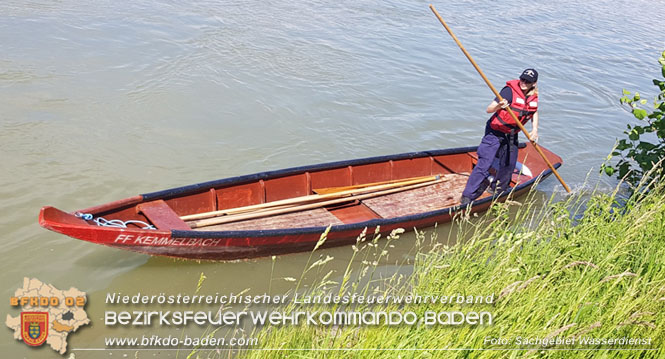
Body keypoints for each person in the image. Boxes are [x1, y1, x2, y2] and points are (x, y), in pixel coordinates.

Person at [460, 68, 539, 205]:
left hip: (512, 134)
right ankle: (467, 195)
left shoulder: (532, 97)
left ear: (534, 83)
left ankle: (498, 190)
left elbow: (534, 112)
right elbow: (488, 109)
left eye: (528, 81)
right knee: (484, 163)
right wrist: (499, 106)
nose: (524, 83)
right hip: (495, 132)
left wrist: (535, 130)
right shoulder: (508, 92)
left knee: (509, 164)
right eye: (522, 79)